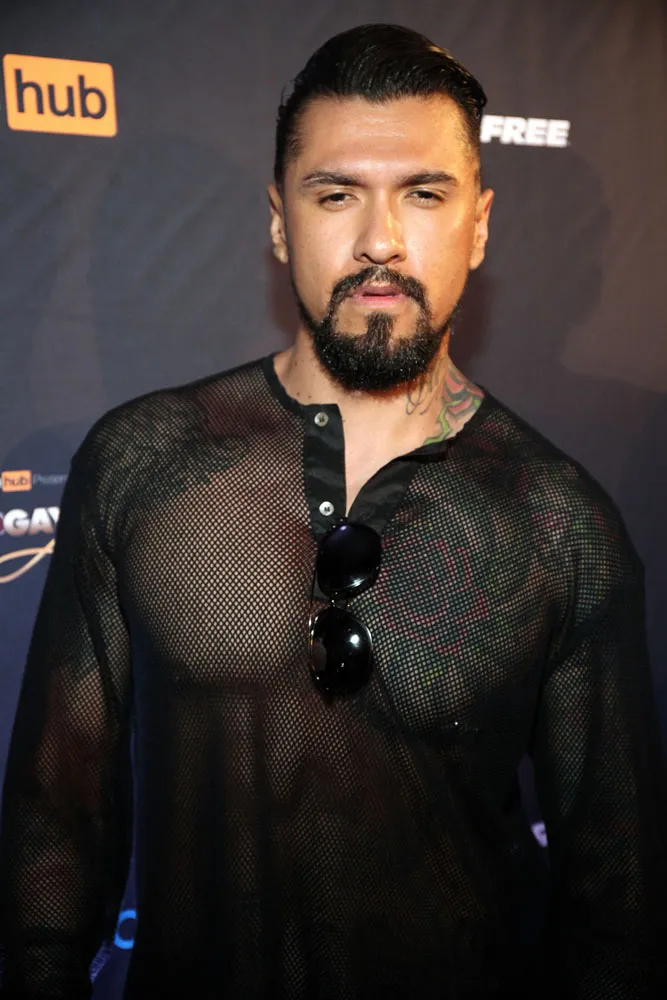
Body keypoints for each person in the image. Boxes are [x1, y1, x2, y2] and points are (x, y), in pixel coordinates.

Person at [1, 22, 665, 1000]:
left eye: (423, 194)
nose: (379, 241)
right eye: (336, 193)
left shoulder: (560, 521)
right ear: (280, 222)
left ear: (479, 224)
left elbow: (617, 905)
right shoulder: (140, 462)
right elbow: (52, 835)